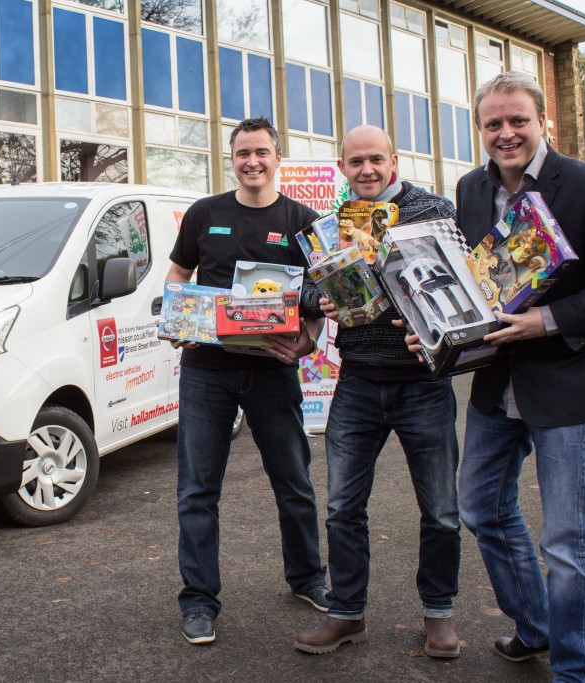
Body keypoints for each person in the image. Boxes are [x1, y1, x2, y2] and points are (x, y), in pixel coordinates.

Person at [443, 72, 585, 681]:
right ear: (481, 129)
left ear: (544, 124)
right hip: (496, 384)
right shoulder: (470, 189)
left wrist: (549, 320)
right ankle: (536, 627)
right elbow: (479, 283)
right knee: (480, 507)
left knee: (567, 543)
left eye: (517, 121)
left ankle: (580, 670)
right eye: (493, 124)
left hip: (568, 384)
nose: (505, 133)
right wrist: (439, 328)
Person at [293, 125, 463, 658]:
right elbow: (308, 284)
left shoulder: (432, 209)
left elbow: (462, 280)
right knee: (343, 506)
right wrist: (317, 298)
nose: (365, 170)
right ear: (342, 168)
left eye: (375, 160)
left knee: (440, 510)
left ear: (394, 160)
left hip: (424, 384)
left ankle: (439, 616)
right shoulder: (329, 227)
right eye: (354, 162)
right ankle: (346, 612)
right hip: (359, 382)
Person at [166, 117, 330, 646]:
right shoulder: (203, 214)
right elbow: (178, 276)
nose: (252, 161)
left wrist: (306, 341)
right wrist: (178, 319)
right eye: (242, 153)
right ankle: (198, 600)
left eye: (261, 152)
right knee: (197, 491)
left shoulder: (303, 222)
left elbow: (320, 299)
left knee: (295, 483)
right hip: (206, 375)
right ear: (231, 158)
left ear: (278, 157)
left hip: (272, 373)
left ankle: (307, 577)